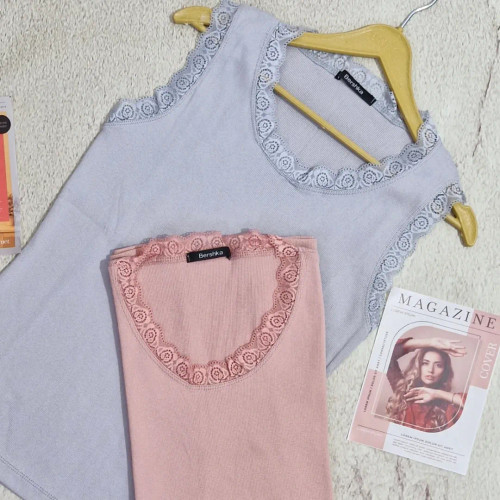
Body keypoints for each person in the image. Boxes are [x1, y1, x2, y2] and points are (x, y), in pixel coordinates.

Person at [386, 336, 467, 432]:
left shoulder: (448, 406)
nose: (430, 370)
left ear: (445, 371)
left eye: (438, 365)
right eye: (425, 363)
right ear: (418, 365)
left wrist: (437, 394)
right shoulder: (403, 391)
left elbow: (475, 405)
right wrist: (430, 342)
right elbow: (385, 352)